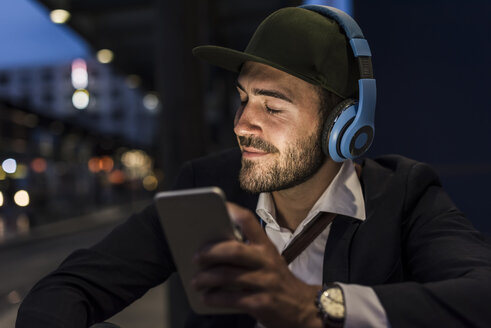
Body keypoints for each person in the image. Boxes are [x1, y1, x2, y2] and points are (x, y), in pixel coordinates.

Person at [16, 5, 491, 328]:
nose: (244, 124)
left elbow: (480, 297)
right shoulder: (206, 187)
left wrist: (315, 307)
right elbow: (69, 288)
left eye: (273, 106)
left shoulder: (404, 196)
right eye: (243, 99)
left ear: (344, 125)